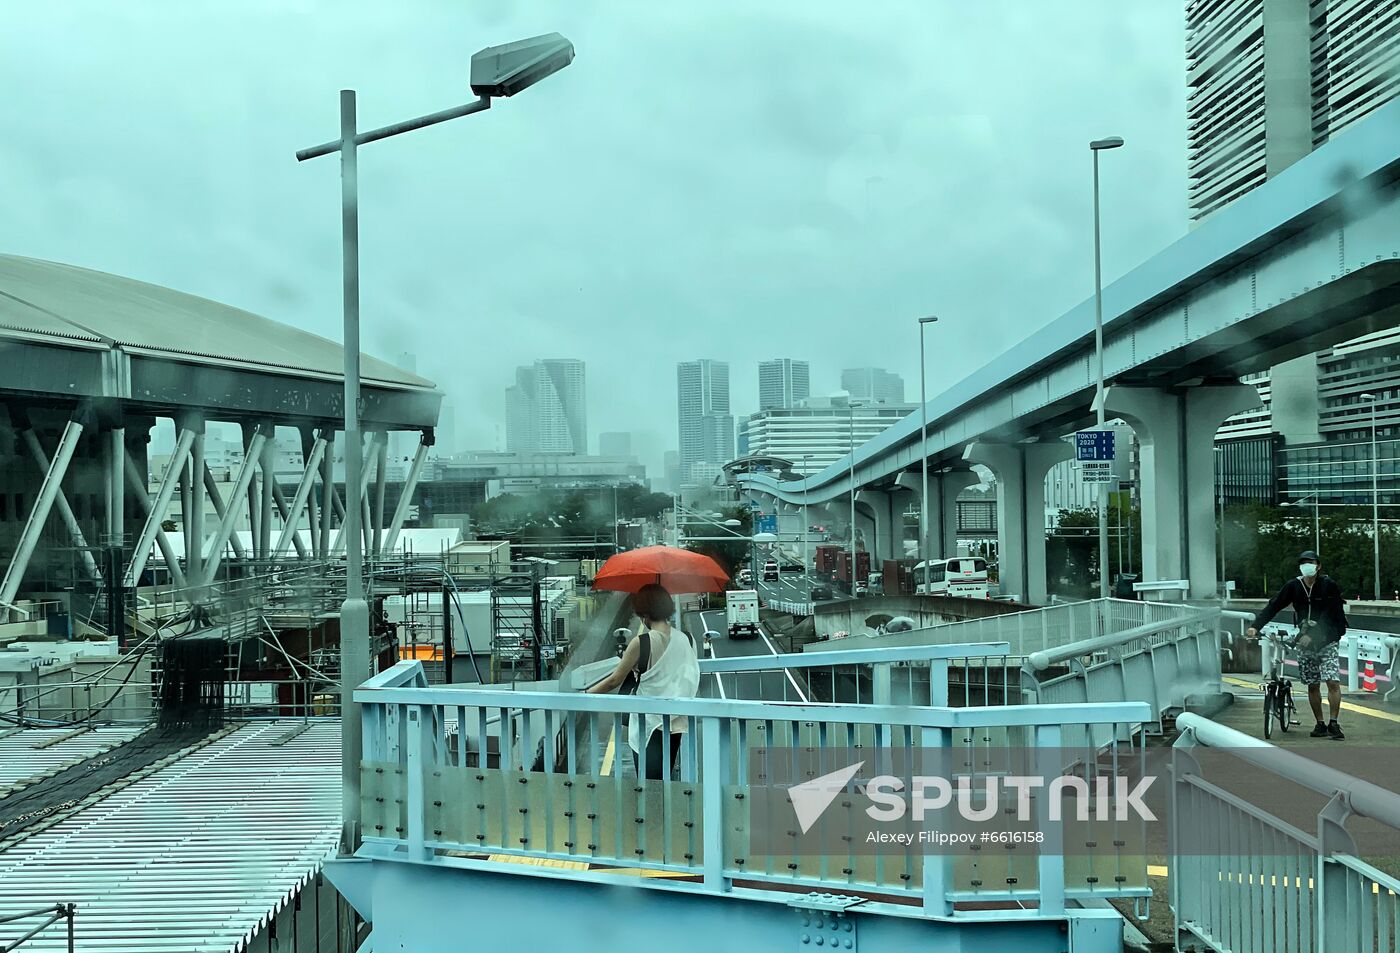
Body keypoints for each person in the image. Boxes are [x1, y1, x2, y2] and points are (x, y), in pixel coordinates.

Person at [586, 584, 700, 778]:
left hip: (648, 721)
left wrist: (586, 696)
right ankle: (663, 807)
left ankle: (652, 808)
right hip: (676, 719)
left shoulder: (642, 642)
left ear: (645, 614)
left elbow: (615, 679)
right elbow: (688, 674)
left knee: (648, 780)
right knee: (665, 774)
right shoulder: (687, 639)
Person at [1246, 550, 1347, 740]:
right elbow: (1274, 605)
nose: (1307, 565)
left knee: (1332, 681)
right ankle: (1320, 724)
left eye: (1310, 562)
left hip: (1328, 639)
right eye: (1303, 562)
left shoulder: (1328, 586)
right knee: (1312, 683)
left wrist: (1314, 635)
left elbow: (1330, 614)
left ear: (1318, 566)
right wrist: (1255, 626)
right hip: (1304, 641)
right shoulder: (1294, 586)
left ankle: (1334, 723)